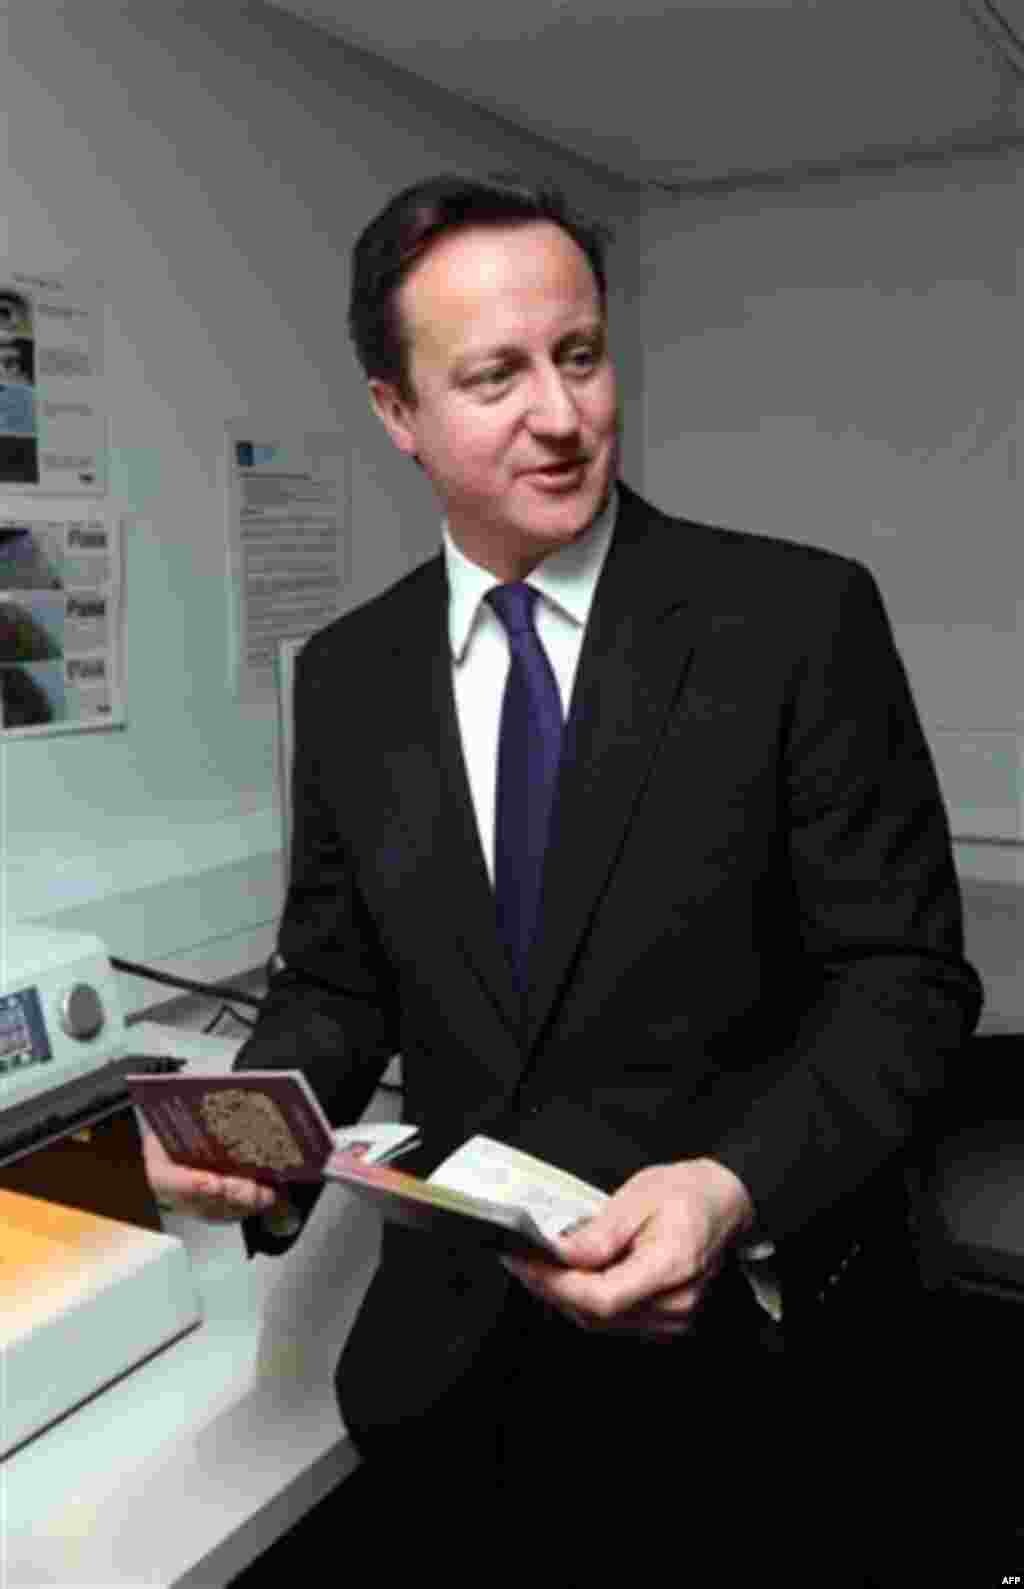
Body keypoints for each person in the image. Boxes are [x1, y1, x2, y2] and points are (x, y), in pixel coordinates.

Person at [145, 174, 983, 1579]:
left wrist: (731, 1186)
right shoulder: (347, 677)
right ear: (396, 414)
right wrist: (250, 1125)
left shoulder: (792, 620)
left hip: (750, 1378)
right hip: (459, 1380)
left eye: (580, 355)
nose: (562, 413)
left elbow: (906, 984)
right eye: (494, 375)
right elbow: (338, 978)